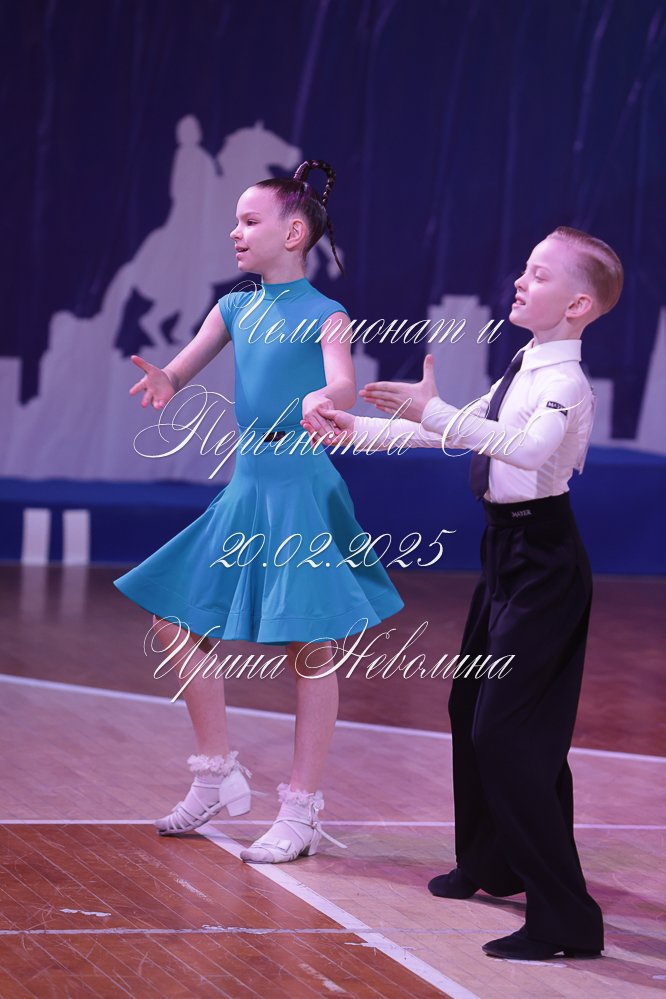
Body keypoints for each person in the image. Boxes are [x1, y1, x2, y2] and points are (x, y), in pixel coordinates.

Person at [304, 227, 623, 959]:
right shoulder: (524, 364)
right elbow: (457, 433)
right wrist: (358, 430)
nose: (520, 281)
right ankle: (491, 861)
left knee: (509, 732)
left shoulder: (565, 383)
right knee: (468, 708)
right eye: (524, 269)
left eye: (538, 274)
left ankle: (567, 917)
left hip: (543, 564)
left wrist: (436, 413)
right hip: (505, 553)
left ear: (577, 304)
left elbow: (528, 450)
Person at [113, 160, 403, 864]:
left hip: (300, 487)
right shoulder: (234, 308)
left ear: (294, 233)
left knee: (309, 645)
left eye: (249, 221)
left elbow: (341, 381)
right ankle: (216, 772)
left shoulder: (326, 314)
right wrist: (167, 379)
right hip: (247, 485)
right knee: (173, 616)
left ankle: (301, 808)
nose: (235, 232)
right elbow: (184, 364)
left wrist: (326, 399)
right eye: (235, 221)